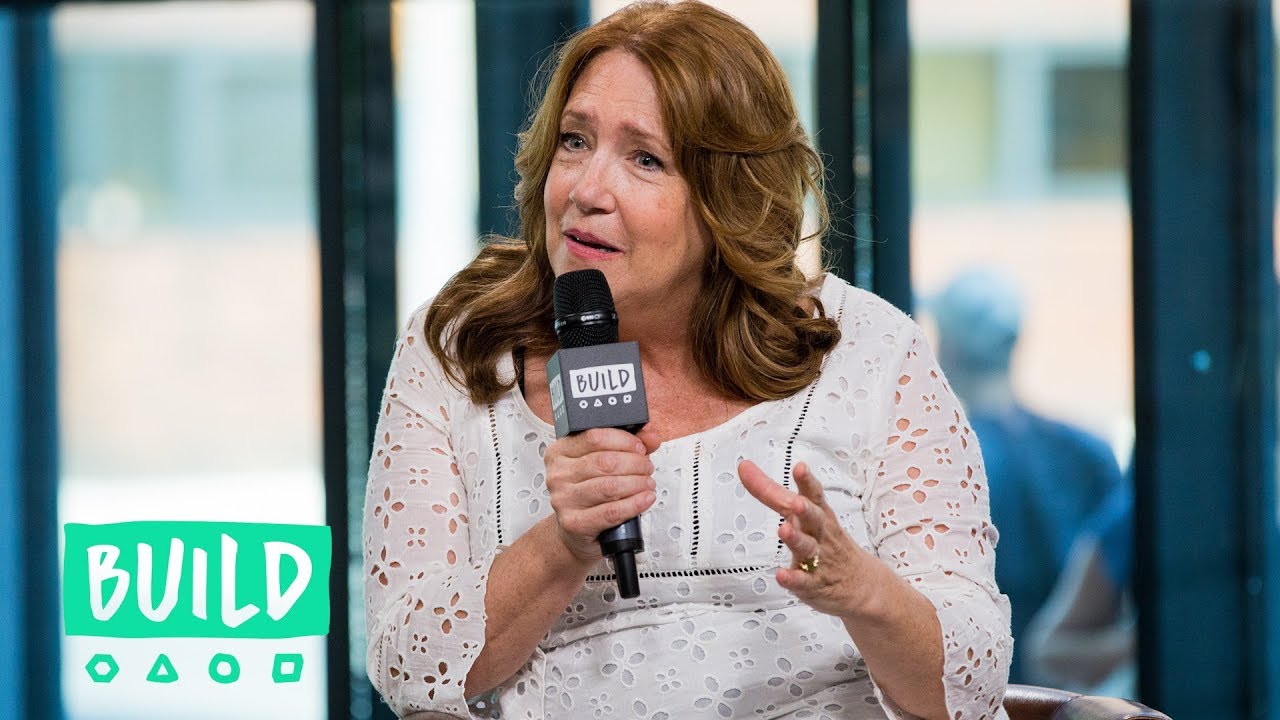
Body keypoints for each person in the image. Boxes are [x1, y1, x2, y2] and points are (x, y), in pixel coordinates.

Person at [364, 3, 1011, 718]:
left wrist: (865, 593)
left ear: (728, 200)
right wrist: (563, 545)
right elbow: (404, 664)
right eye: (575, 141)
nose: (585, 191)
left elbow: (974, 683)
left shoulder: (868, 349)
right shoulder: (458, 349)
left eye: (646, 159)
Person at [926, 267, 1125, 683]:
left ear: (948, 350)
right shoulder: (1087, 451)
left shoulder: (943, 462)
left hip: (978, 687)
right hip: (1073, 698)